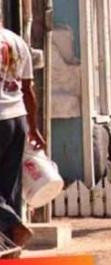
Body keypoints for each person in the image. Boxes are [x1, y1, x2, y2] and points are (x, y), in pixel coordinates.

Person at [0, 26, 44, 255]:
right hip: (17, 118)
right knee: (9, 186)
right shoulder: (17, 42)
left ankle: (11, 223)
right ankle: (11, 248)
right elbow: (28, 89)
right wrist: (33, 128)